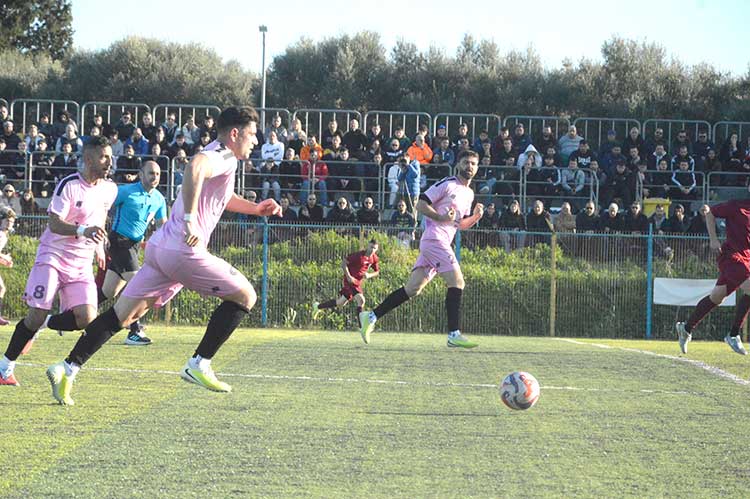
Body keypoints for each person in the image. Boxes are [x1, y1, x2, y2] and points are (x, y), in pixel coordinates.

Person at [44, 107, 282, 404]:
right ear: (235, 134)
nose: (256, 141)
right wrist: (190, 220)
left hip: (161, 249)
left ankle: (67, 368)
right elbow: (195, 167)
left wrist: (255, 208)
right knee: (246, 296)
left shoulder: (221, 156)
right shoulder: (223, 155)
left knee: (122, 316)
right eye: (252, 134)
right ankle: (199, 363)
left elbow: (221, 196)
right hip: (184, 250)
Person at [0, 137, 117, 387]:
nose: (109, 161)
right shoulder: (69, 185)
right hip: (53, 256)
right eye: (104, 157)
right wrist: (83, 230)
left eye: (110, 156)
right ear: (89, 159)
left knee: (87, 317)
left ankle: (45, 323)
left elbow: (101, 216)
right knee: (35, 314)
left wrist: (98, 245)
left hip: (81, 263)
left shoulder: (110, 189)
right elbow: (54, 223)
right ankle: (4, 367)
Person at [359, 150, 485, 348]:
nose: (469, 166)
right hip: (435, 240)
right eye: (466, 162)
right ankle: (453, 334)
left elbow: (459, 224)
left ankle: (371, 316)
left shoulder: (469, 194)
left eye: (473, 163)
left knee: (412, 289)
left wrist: (476, 217)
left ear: (477, 168)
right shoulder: (448, 183)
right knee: (457, 282)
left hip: (440, 243)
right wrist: (440, 217)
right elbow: (420, 204)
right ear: (458, 165)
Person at [97, 161, 168, 346]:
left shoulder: (159, 198)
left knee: (108, 291)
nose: (155, 177)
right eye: (151, 173)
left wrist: (164, 247)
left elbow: (162, 226)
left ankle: (72, 313)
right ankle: (134, 331)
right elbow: (102, 207)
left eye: (158, 174)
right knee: (139, 284)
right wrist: (100, 232)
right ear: (141, 174)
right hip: (119, 241)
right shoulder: (126, 191)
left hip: (134, 246)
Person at [675, 199, 750, 356]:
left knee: (717, 297)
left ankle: (686, 328)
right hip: (732, 257)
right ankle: (733, 334)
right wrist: (713, 240)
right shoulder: (735, 205)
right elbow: (710, 213)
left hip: (747, 259)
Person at [312, 239, 380, 325]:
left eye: (374, 248)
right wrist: (349, 276)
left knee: (340, 303)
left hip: (358, 283)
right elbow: (344, 263)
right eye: (371, 247)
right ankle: (362, 326)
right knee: (361, 300)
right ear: (368, 245)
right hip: (350, 281)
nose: (372, 250)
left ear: (377, 249)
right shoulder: (358, 256)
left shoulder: (374, 258)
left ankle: (318, 306)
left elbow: (377, 272)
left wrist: (369, 275)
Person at [0, 207, 17, 325]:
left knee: (1, 288)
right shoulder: (1, 235)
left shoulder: (4, 235)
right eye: (7, 221)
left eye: (12, 221)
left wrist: (4, 261)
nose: (10, 223)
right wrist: (5, 258)